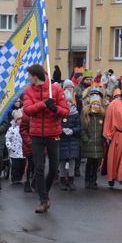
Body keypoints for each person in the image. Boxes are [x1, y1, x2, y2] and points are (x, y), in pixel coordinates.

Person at [23, 64, 69, 213]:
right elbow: (28, 110)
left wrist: (55, 108)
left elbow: (65, 112)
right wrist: (43, 104)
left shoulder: (55, 89)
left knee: (54, 168)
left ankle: (45, 193)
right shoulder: (29, 90)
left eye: (30, 75)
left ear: (35, 76)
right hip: (36, 134)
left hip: (53, 133)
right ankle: (43, 200)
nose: (28, 78)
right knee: (39, 167)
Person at [81, 90, 106, 190]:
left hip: (98, 143)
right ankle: (87, 180)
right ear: (91, 104)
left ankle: (94, 180)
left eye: (97, 104)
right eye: (94, 104)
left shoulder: (102, 116)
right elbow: (83, 129)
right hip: (89, 143)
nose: (96, 106)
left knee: (96, 163)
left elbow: (104, 128)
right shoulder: (87, 114)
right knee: (90, 162)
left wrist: (103, 139)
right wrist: (86, 140)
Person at [58, 85, 81, 191]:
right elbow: (57, 125)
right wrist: (62, 130)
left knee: (72, 161)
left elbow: (79, 127)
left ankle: (71, 180)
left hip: (72, 141)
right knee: (62, 161)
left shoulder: (75, 114)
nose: (68, 104)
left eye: (70, 102)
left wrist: (72, 131)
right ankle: (62, 180)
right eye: (66, 102)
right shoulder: (60, 114)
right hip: (62, 140)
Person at [20, 111, 34, 193]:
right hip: (29, 144)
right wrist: (30, 143)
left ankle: (36, 182)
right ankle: (27, 182)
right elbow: (23, 130)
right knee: (29, 163)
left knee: (39, 164)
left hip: (40, 144)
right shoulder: (27, 114)